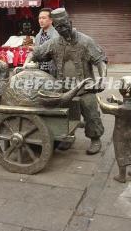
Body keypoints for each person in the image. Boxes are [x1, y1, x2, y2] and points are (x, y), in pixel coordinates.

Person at [26, 8, 107, 155]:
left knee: (91, 114)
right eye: (59, 27)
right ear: (55, 27)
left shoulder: (85, 41)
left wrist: (102, 78)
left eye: (65, 26)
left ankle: (95, 139)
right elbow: (35, 53)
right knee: (65, 115)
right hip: (63, 89)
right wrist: (27, 62)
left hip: (85, 87)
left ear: (70, 23)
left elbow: (100, 61)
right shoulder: (54, 43)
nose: (62, 29)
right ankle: (67, 138)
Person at [97, 76, 131, 183]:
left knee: (120, 153)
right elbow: (126, 104)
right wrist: (117, 100)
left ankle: (122, 176)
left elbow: (105, 108)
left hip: (120, 134)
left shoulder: (121, 109)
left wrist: (99, 101)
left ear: (126, 90)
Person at [34, 8, 59, 75]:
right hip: (39, 71)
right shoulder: (37, 36)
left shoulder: (57, 35)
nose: (41, 20)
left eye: (44, 18)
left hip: (53, 71)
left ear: (51, 20)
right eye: (39, 18)